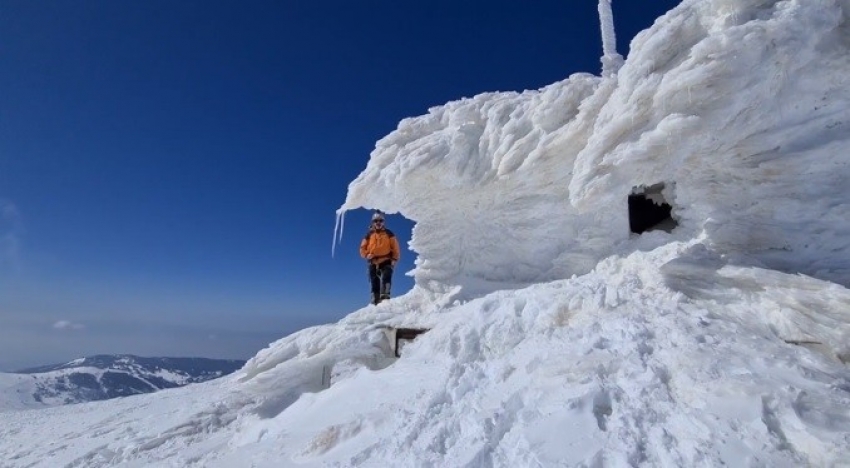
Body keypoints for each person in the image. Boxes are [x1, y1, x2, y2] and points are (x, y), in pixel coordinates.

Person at [360, 211, 400, 305]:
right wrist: (366, 255)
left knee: (386, 276)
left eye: (380, 220)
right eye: (376, 221)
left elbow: (395, 248)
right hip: (372, 261)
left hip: (386, 260)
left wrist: (394, 259)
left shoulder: (389, 233)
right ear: (373, 222)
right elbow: (362, 248)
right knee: (374, 280)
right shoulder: (369, 235)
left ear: (383, 222)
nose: (378, 223)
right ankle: (375, 299)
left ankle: (385, 296)